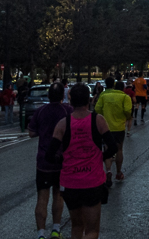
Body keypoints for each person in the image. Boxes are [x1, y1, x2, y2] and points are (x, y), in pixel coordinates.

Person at [48, 83, 118, 239]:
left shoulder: (63, 124)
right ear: (89, 100)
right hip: (92, 181)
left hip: (70, 183)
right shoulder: (98, 120)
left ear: (71, 101)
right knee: (92, 230)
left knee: (77, 226)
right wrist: (100, 156)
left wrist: (63, 161)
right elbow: (113, 147)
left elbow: (50, 153)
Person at [28, 82, 72, 239]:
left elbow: (31, 133)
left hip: (43, 161)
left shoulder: (40, 111)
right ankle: (56, 229)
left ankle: (40, 234)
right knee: (58, 195)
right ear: (63, 95)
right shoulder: (68, 111)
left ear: (48, 95)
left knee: (42, 197)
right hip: (62, 161)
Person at [93, 76, 133, 184]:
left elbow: (97, 109)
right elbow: (128, 111)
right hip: (119, 127)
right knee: (119, 150)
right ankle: (119, 172)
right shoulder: (125, 97)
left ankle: (108, 171)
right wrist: (125, 118)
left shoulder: (103, 96)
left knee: (107, 149)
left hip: (106, 127)